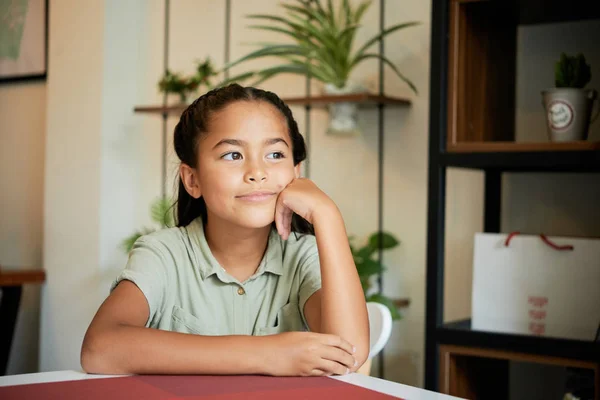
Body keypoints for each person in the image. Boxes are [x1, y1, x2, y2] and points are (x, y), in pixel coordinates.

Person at [81, 84, 369, 377]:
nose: (257, 172)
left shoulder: (303, 256)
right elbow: (99, 349)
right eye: (233, 155)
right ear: (192, 180)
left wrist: (327, 215)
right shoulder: (163, 254)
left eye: (275, 154)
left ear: (296, 174)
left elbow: (349, 354)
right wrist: (268, 354)